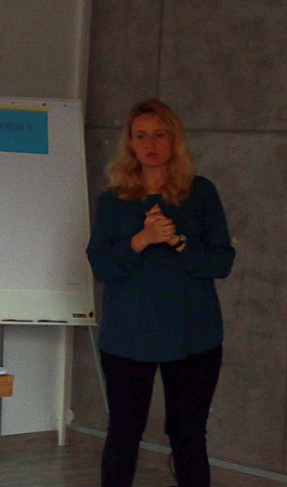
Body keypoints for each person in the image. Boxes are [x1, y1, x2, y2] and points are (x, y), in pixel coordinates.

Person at [87, 98, 235, 487]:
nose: (150, 144)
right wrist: (141, 239)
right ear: (130, 144)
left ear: (174, 139)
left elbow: (221, 262)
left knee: (188, 435)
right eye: (141, 136)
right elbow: (102, 267)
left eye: (159, 134)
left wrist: (178, 240)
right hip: (126, 337)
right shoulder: (112, 200)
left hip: (193, 336)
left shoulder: (200, 193)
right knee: (123, 433)